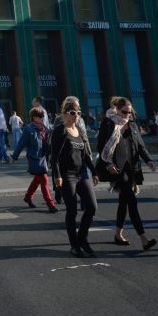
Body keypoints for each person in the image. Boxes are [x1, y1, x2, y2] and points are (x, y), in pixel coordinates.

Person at [97, 97, 157, 250]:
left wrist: (149, 161)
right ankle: (144, 238)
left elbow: (140, 146)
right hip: (117, 169)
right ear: (117, 109)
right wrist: (108, 164)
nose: (127, 115)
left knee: (124, 202)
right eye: (124, 112)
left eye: (129, 113)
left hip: (132, 169)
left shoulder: (132, 125)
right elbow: (101, 147)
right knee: (132, 201)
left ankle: (118, 234)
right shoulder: (108, 123)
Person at [50, 101, 98, 257]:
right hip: (67, 175)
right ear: (64, 114)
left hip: (82, 173)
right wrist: (57, 176)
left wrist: (94, 172)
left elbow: (85, 155)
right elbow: (54, 157)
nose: (76, 116)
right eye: (72, 113)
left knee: (91, 207)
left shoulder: (80, 131)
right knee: (72, 210)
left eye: (78, 113)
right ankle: (74, 245)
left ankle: (82, 239)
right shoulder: (60, 131)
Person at [11, 107, 57, 213]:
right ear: (33, 117)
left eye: (42, 116)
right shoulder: (29, 129)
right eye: (39, 116)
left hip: (43, 157)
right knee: (44, 180)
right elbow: (21, 144)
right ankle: (51, 205)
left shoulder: (45, 128)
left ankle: (28, 197)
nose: (41, 118)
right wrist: (14, 157)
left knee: (37, 179)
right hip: (33, 158)